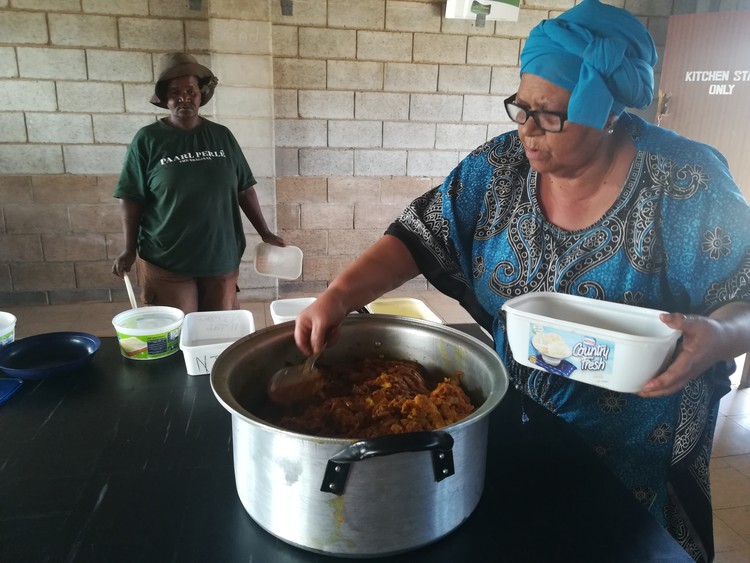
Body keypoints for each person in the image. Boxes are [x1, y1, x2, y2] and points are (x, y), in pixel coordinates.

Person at [294, 1, 750, 561]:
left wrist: (721, 336)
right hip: (517, 424)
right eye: (521, 108)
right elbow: (422, 233)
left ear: (608, 114)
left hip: (638, 456)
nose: (528, 131)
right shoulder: (499, 169)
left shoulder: (687, 183)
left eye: (550, 115)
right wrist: (339, 295)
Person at [112, 52, 284, 312]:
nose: (184, 98)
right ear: (164, 98)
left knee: (220, 330)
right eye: (175, 92)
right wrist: (128, 249)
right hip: (167, 257)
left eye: (190, 90)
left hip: (221, 254)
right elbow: (131, 197)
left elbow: (245, 189)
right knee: (180, 329)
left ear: (201, 94)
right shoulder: (148, 140)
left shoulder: (221, 136)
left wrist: (265, 232)